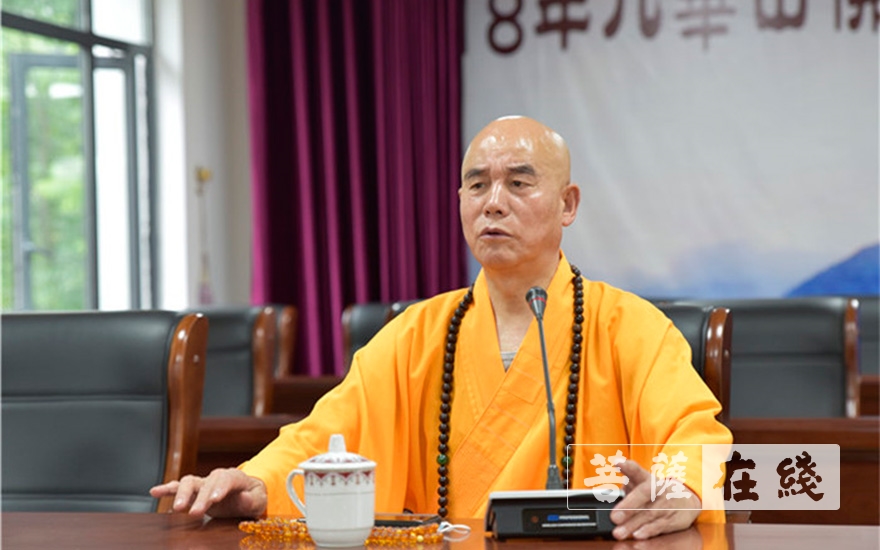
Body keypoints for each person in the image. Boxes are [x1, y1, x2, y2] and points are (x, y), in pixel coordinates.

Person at [151, 116, 732, 540]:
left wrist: (681, 489)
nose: (493, 203)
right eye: (477, 185)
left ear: (568, 204)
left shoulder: (632, 328)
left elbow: (696, 437)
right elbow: (325, 437)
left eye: (519, 182)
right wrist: (256, 484)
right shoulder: (416, 335)